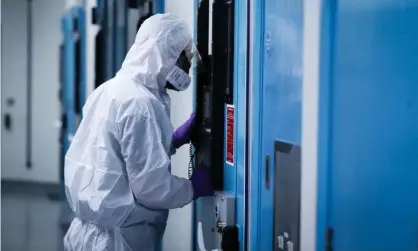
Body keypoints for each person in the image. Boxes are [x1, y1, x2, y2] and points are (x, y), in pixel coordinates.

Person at [63, 13, 213, 251]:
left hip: (89, 234)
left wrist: (172, 141)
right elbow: (151, 188)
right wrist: (193, 187)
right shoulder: (140, 103)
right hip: (117, 241)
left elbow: (114, 156)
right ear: (164, 54)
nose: (186, 68)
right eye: (183, 58)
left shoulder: (111, 89)